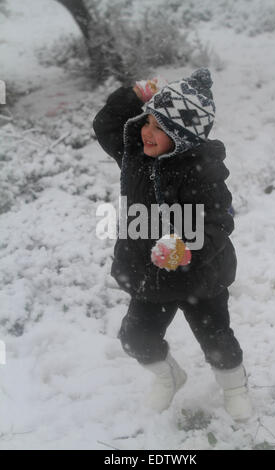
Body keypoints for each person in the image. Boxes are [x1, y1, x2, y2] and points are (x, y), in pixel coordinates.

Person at [93, 69, 252, 421]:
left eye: (159, 128)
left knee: (218, 341)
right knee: (136, 338)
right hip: (150, 275)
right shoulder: (134, 156)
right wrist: (132, 96)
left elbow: (219, 222)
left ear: (182, 138)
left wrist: (188, 250)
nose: (147, 131)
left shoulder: (203, 172)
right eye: (147, 121)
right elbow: (105, 126)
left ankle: (235, 387)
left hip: (201, 278)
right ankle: (170, 377)